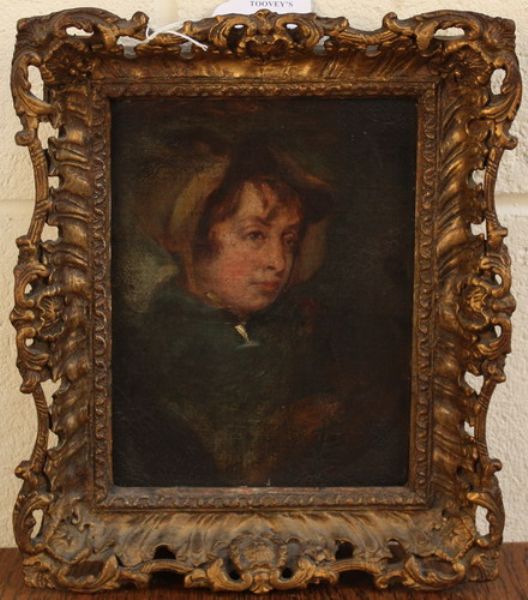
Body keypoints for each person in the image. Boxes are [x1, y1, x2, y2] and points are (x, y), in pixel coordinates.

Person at [112, 144, 341, 487]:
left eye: (289, 240)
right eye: (255, 235)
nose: (278, 262)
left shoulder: (288, 333)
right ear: (196, 235)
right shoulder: (159, 350)